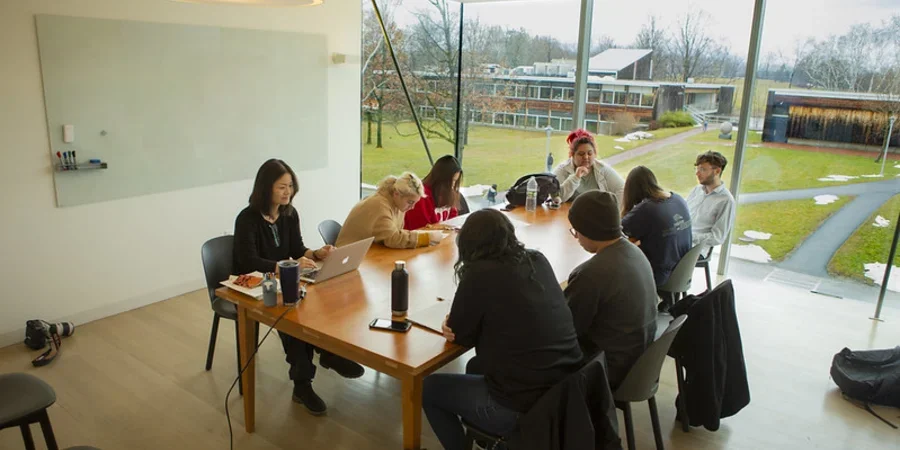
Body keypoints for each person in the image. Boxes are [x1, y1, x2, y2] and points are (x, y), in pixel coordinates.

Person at [423, 209, 583, 450]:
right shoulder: (536, 259)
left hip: (523, 407)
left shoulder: (478, 274)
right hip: (565, 392)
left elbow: (461, 336)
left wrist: (450, 323)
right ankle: (487, 440)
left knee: (430, 388)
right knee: (475, 365)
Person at [232, 159, 365, 415]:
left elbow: (296, 248)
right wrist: (285, 266)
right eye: (282, 187)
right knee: (292, 319)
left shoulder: (289, 213)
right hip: (257, 284)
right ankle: (302, 385)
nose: (288, 192)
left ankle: (328, 352)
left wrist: (316, 253)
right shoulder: (247, 219)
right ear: (265, 188)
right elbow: (248, 261)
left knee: (322, 300)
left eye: (290, 186)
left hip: (285, 277)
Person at [565, 191, 658, 388]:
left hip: (608, 368)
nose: (577, 237)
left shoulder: (591, 274)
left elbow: (566, 331)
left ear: (588, 229)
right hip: (640, 361)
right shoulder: (635, 251)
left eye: (576, 231)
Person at [621, 166, 693, 287]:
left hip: (660, 275)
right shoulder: (678, 198)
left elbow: (616, 230)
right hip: (681, 271)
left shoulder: (647, 208)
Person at [336, 172, 444, 248]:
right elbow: (393, 238)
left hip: (367, 253)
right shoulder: (379, 206)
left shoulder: (397, 204)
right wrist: (426, 237)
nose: (412, 207)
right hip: (347, 257)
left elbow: (395, 234)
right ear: (396, 194)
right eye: (410, 202)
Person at [552, 128, 624, 205]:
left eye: (589, 153)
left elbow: (623, 189)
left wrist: (613, 210)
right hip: (570, 211)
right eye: (581, 154)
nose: (586, 157)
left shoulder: (602, 168)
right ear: (572, 155)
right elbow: (556, 197)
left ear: (595, 154)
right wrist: (576, 178)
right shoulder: (562, 169)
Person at [686, 151, 736, 251]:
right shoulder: (697, 190)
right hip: (681, 241)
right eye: (697, 169)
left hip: (696, 249)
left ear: (717, 171)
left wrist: (688, 237)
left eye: (702, 169)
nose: (697, 173)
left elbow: (717, 237)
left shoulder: (726, 200)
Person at [403, 155, 462, 230]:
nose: (453, 185)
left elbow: (453, 220)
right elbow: (421, 229)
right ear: (441, 179)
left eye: (455, 181)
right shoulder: (422, 196)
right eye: (452, 181)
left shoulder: (449, 193)